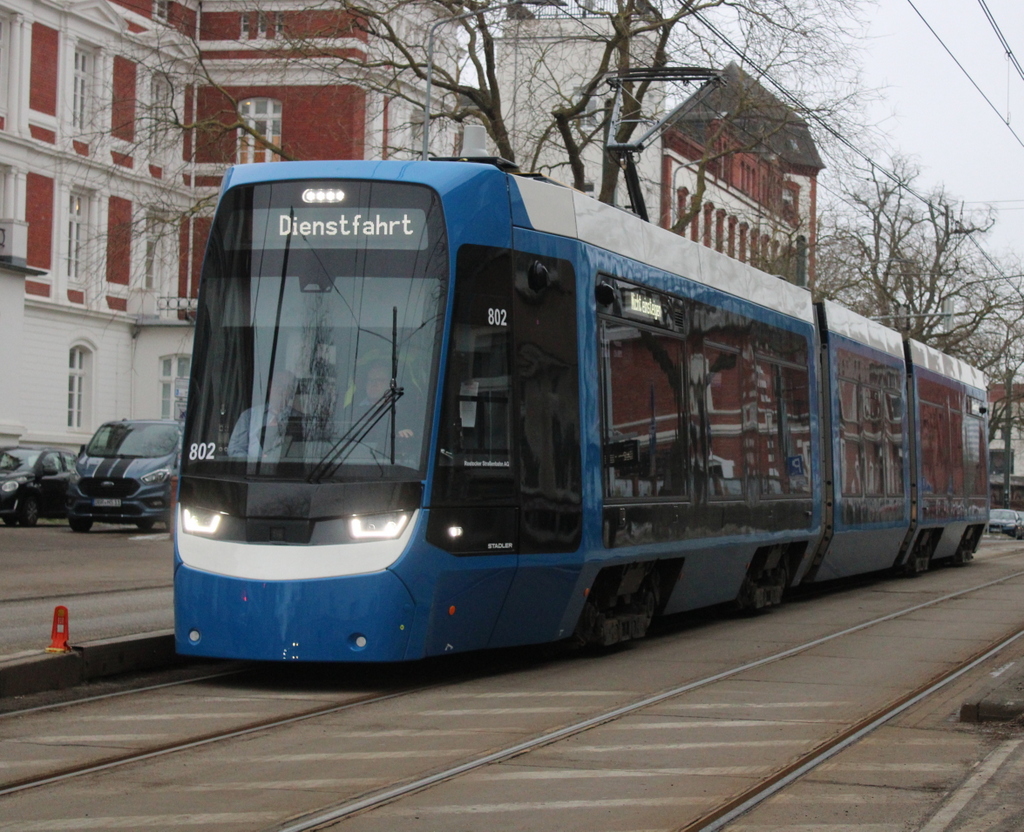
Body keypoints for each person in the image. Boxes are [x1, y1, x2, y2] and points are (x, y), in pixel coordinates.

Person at [227, 371, 304, 460]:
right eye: (278, 385)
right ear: (270, 387)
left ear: (292, 393)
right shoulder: (249, 416)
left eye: (287, 387)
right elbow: (235, 449)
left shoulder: (301, 419)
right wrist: (255, 462)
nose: (281, 390)